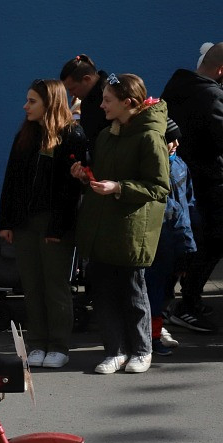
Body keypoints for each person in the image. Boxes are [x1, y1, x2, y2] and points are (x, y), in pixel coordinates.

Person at [71, 73, 169, 375]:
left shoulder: (149, 136)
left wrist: (119, 188)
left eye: (108, 100)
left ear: (129, 102)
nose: (101, 106)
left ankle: (141, 349)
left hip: (131, 229)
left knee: (132, 290)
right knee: (102, 291)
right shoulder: (106, 135)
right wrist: (85, 176)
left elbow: (159, 187)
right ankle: (115, 351)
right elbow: (101, 176)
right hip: (102, 226)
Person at [0, 79, 87, 369]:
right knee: (32, 286)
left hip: (53, 226)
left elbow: (70, 192)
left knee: (55, 286)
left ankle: (59, 345)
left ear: (50, 103)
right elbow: (10, 181)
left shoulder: (72, 135)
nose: (25, 106)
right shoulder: (24, 135)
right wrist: (6, 222)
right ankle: (37, 343)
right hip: (24, 224)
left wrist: (58, 228)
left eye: (32, 101)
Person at [161, 42, 223, 332]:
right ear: (220, 70)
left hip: (182, 183)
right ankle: (187, 304)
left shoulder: (175, 89)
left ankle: (173, 304)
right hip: (209, 185)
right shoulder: (211, 97)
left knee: (188, 244)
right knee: (212, 243)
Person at [145, 119, 196, 356]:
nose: (174, 143)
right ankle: (152, 337)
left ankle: (156, 330)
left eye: (176, 138)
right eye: (168, 139)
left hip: (177, 240)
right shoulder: (153, 168)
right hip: (159, 240)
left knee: (165, 291)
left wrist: (188, 245)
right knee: (153, 290)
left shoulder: (180, 165)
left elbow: (188, 206)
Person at [60, 54, 110, 158]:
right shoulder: (89, 99)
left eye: (72, 88)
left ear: (87, 79)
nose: (70, 94)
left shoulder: (110, 97)